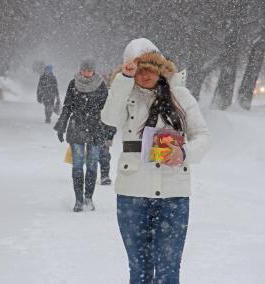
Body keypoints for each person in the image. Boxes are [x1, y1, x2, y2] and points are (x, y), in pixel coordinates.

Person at [101, 38, 211, 283]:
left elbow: (202, 136)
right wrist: (122, 80)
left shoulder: (180, 96)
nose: (144, 74)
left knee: (168, 270)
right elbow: (109, 119)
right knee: (139, 269)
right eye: (138, 69)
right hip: (133, 195)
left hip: (173, 195)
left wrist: (184, 153)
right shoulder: (125, 95)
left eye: (149, 67)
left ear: (160, 67)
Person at [54, 58, 112, 212]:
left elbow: (108, 110)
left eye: (89, 70)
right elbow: (67, 106)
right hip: (77, 127)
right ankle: (78, 200)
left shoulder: (101, 86)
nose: (87, 73)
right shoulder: (73, 84)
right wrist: (61, 126)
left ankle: (89, 198)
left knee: (92, 165)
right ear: (80, 70)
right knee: (78, 165)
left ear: (94, 70)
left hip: (95, 129)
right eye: (84, 70)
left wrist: (109, 132)